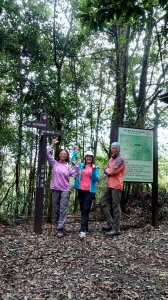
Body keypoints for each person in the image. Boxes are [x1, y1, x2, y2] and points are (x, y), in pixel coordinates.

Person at [46, 138, 79, 238]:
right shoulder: (54, 163)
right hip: (55, 189)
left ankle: (60, 228)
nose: (63, 155)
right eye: (62, 153)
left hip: (65, 190)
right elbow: (48, 153)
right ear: (59, 154)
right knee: (56, 209)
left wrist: (76, 166)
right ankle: (57, 226)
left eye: (65, 154)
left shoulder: (68, 166)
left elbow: (76, 175)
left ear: (67, 156)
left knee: (63, 209)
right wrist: (52, 145)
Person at [71, 148, 99, 238]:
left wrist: (94, 171)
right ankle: (85, 228)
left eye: (90, 157)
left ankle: (83, 230)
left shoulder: (95, 167)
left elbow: (95, 180)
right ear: (85, 157)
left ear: (92, 158)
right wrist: (75, 151)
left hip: (89, 192)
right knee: (83, 210)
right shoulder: (80, 165)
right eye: (87, 156)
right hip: (80, 190)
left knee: (85, 211)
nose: (88, 158)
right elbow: (72, 161)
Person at [99, 142, 125, 237]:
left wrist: (107, 171)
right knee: (102, 202)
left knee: (115, 206)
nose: (114, 149)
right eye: (113, 148)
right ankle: (111, 223)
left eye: (116, 148)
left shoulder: (120, 159)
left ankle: (116, 229)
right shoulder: (111, 158)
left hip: (117, 185)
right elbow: (106, 168)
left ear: (119, 149)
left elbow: (112, 171)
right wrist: (107, 170)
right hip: (110, 185)